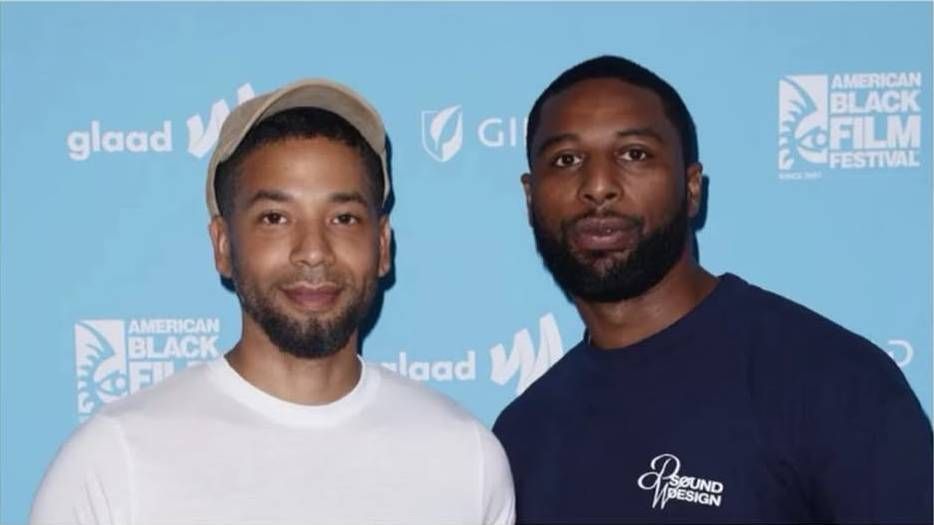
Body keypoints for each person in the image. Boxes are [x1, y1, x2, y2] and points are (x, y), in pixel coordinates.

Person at [32, 78, 515, 525]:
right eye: (275, 218)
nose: (313, 251)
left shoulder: (465, 458)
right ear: (223, 245)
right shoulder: (114, 462)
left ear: (383, 245)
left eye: (344, 218)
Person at [492, 55, 932, 524]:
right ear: (530, 197)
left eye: (634, 154)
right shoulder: (524, 434)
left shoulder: (832, 382)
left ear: (692, 188)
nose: (598, 186)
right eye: (566, 160)